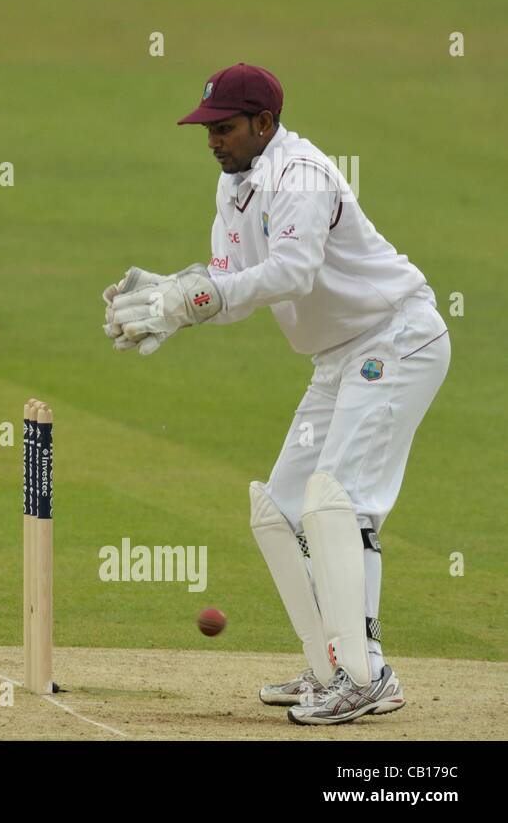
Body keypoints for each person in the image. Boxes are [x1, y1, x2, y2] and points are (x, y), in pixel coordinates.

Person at [103, 63, 450, 725]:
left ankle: (364, 674)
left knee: (339, 506)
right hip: (338, 356)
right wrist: (177, 303)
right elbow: (237, 290)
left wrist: (195, 295)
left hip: (396, 338)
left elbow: (292, 272)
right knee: (284, 512)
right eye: (208, 128)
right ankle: (328, 666)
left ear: (264, 123)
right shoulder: (233, 188)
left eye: (225, 127)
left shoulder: (302, 177)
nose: (213, 140)